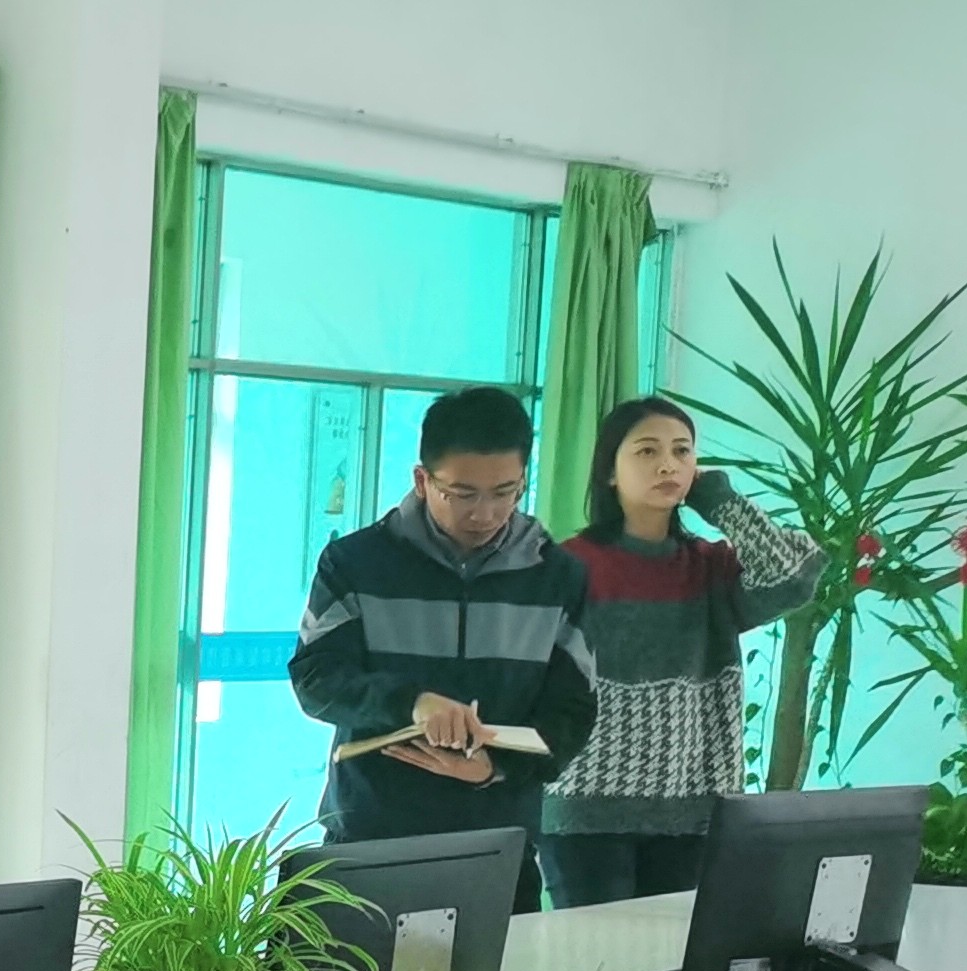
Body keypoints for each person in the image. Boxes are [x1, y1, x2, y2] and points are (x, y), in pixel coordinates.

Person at [288, 383, 598, 900]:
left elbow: (572, 710)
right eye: (463, 494)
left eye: (505, 492)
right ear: (422, 480)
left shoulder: (559, 578)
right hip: (371, 838)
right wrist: (413, 704)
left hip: (497, 845)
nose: (485, 513)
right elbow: (316, 678)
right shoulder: (356, 563)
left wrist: (495, 768)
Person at [539, 394, 819, 908]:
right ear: (609, 471)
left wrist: (720, 501)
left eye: (682, 451)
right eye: (647, 451)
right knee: (592, 954)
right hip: (583, 813)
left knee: (672, 956)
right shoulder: (567, 566)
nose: (668, 464)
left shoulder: (711, 567)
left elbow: (793, 578)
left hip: (693, 814)